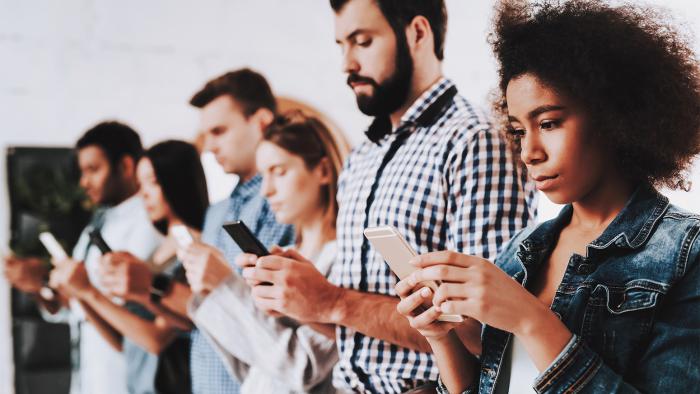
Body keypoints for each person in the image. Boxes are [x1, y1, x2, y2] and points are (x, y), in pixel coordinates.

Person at [395, 1, 700, 392]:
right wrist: (442, 338)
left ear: (614, 118)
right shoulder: (524, 249)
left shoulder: (685, 255)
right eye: (519, 131)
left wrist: (531, 320)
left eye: (549, 123)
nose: (528, 152)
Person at [243, 0, 537, 392]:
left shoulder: (475, 142)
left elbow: (490, 335)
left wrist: (333, 300)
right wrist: (303, 296)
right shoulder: (362, 158)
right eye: (341, 45)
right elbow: (361, 334)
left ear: (417, 32)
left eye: (362, 42)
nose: (346, 64)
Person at [102, 69, 295, 394]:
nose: (209, 147)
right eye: (206, 135)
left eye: (219, 131)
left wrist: (152, 285)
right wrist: (145, 292)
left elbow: (270, 320)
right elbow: (201, 316)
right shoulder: (218, 211)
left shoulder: (279, 204)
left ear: (261, 121)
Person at [180, 111, 350, 393]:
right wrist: (215, 291)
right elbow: (254, 366)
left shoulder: (346, 260)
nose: (267, 190)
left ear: (322, 171)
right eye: (264, 175)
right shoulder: (285, 255)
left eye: (279, 172)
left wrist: (226, 287)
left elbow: (301, 367)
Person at [56, 140, 209, 394]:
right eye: (142, 183)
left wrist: (90, 293)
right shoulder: (157, 253)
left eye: (153, 182)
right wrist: (81, 294)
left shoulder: (196, 250)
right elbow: (125, 342)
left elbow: (155, 339)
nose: (144, 193)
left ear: (178, 182)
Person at [22, 121, 162, 394]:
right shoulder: (96, 224)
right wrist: (40, 287)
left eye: (93, 170)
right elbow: (73, 301)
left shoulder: (149, 225)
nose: (84, 182)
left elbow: (129, 315)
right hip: (89, 379)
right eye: (82, 172)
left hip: (126, 380)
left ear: (125, 166)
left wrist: (82, 290)